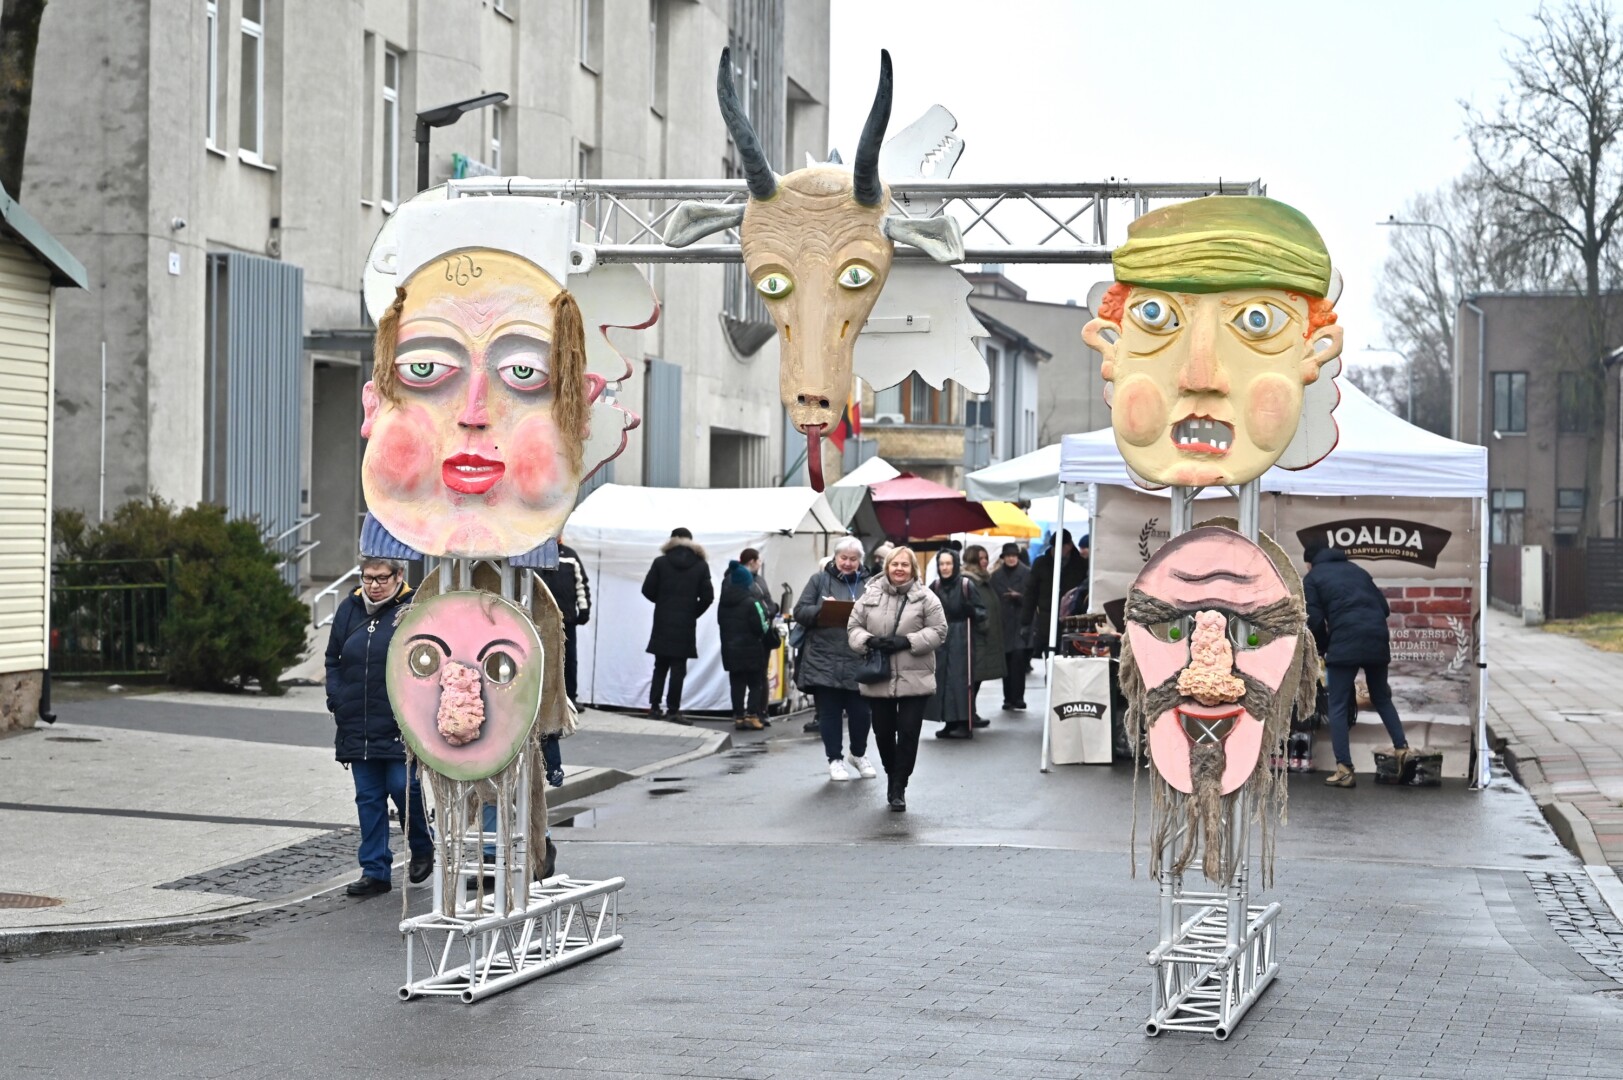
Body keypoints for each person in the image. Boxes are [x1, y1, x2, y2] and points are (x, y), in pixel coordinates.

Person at [324, 557, 433, 897]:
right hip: (357, 721)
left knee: (404, 787)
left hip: (399, 721)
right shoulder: (349, 608)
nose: (373, 585)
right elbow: (332, 658)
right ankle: (375, 870)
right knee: (368, 798)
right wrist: (336, 698)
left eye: (381, 578)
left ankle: (422, 845)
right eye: (367, 577)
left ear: (399, 575)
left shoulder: (413, 608)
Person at [1304, 543, 1412, 788]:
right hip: (1376, 638)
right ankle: (1402, 749)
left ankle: (1345, 769)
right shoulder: (1358, 571)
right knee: (1381, 697)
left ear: (1310, 563)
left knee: (1338, 704)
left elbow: (1316, 620)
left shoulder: (1312, 578)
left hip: (1345, 642)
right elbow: (1384, 609)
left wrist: (1322, 647)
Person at [848, 546, 948, 811]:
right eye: (895, 564)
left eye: (905, 564)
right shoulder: (870, 594)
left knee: (908, 732)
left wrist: (908, 641)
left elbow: (939, 630)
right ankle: (891, 772)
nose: (899, 569)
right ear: (887, 567)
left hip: (915, 677)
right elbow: (853, 627)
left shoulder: (926, 597)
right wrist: (868, 641)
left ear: (913, 569)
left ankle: (899, 785)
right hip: (879, 677)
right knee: (882, 732)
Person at [793, 537, 874, 782]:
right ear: (835, 557)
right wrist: (823, 609)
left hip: (858, 657)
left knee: (862, 713)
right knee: (829, 712)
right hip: (823, 658)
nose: (848, 563)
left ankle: (858, 754)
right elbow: (800, 611)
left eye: (853, 559)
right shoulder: (818, 580)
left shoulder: (870, 583)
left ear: (860, 560)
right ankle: (835, 759)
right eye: (843, 558)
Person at [641, 527, 713, 725]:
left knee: (660, 667)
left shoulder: (660, 562)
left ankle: (654, 708)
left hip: (662, 622)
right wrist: (692, 613)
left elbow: (647, 590)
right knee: (678, 669)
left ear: (672, 540)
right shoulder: (700, 565)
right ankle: (673, 710)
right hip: (685, 625)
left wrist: (662, 603)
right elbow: (708, 597)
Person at [926, 548, 984, 740]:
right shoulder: (935, 586)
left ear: (955, 565)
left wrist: (972, 611)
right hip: (942, 636)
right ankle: (949, 722)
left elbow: (982, 612)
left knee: (960, 679)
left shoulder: (966, 585)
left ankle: (963, 723)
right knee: (942, 678)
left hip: (961, 636)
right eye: (941, 564)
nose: (945, 567)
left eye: (948, 563)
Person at [718, 556, 774, 730]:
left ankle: (739, 716)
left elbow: (721, 623)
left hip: (730, 648)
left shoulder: (723, 603)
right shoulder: (752, 602)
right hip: (751, 649)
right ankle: (752, 715)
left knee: (736, 684)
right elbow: (761, 626)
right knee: (755, 683)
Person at [1023, 530, 1088, 658]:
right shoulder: (1041, 563)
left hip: (1072, 624)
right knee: (1050, 659)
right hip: (1047, 623)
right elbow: (1030, 593)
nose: (1059, 550)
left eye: (1063, 546)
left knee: (1069, 661)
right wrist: (1025, 622)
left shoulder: (1081, 564)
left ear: (1070, 546)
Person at [962, 545, 1005, 728]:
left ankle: (970, 712)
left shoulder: (983, 579)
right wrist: (983, 625)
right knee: (972, 678)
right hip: (975, 638)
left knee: (976, 679)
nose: (985, 561)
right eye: (981, 558)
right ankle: (968, 713)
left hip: (984, 637)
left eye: (986, 557)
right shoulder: (970, 581)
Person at [989, 542, 1032, 710]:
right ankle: (1007, 698)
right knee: (1006, 663)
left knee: (1019, 662)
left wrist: (1019, 597)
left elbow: (1032, 598)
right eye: (1008, 556)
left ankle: (1019, 697)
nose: (1011, 559)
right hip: (1003, 624)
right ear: (1003, 557)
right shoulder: (996, 576)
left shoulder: (1027, 573)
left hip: (1020, 624)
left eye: (1014, 556)